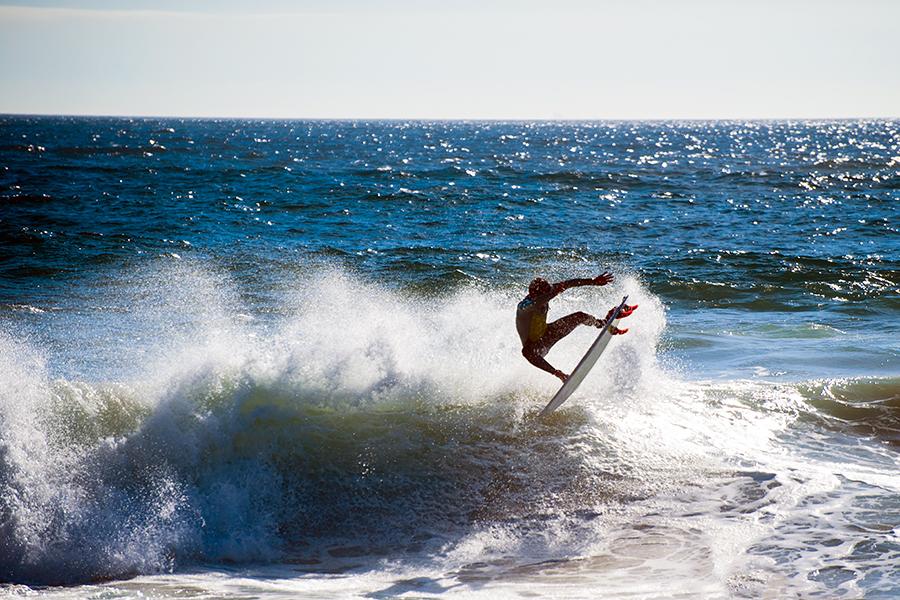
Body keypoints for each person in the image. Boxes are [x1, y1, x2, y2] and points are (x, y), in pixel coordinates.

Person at [516, 273, 637, 382]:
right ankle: (558, 374)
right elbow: (549, 295)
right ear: (536, 295)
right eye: (547, 294)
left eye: (549, 291)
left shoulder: (545, 291)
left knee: (579, 316)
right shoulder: (525, 307)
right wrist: (555, 372)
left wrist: (593, 281)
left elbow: (568, 284)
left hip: (548, 333)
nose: (550, 295)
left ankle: (602, 323)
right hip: (536, 346)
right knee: (527, 352)